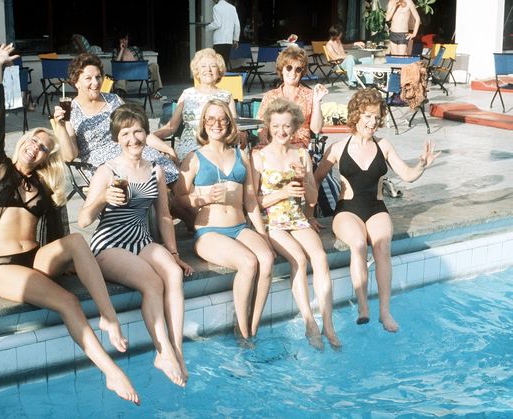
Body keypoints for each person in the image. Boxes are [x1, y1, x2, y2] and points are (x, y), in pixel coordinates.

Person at [0, 43, 139, 404]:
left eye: (44, 146)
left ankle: (109, 316)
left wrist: (73, 264)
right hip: (2, 267)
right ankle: (111, 371)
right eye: (34, 140)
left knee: (78, 242)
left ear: (47, 156)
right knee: (67, 302)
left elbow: (59, 232)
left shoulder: (44, 187)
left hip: (36, 259)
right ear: (23, 143)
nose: (37, 147)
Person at [78, 103, 194, 387]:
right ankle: (162, 351)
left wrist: (175, 254)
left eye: (138, 132)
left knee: (173, 274)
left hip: (141, 239)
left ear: (146, 133)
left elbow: (165, 216)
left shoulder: (155, 169)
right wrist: (103, 197)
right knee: (153, 283)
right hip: (110, 243)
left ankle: (177, 350)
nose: (133, 139)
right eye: (126, 133)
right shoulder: (107, 171)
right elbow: (83, 220)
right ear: (117, 138)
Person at [314, 88, 440, 333]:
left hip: (376, 207)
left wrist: (422, 164)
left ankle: (384, 311)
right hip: (347, 209)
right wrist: (309, 215)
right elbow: (315, 179)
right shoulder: (338, 148)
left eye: (376, 117)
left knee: (382, 245)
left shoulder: (384, 146)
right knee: (359, 244)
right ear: (356, 115)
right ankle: (363, 307)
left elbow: (407, 175)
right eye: (368, 116)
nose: (372, 122)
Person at [176, 99, 275, 340]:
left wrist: (262, 234)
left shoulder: (241, 155)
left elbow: (250, 199)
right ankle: (241, 331)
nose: (216, 124)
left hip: (240, 227)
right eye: (210, 119)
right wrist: (201, 197)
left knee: (267, 259)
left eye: (222, 119)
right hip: (209, 232)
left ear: (230, 123)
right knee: (249, 263)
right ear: (203, 124)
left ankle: (254, 325)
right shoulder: (194, 157)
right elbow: (176, 200)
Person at [252, 98, 340, 350]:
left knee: (320, 258)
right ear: (268, 126)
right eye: (276, 125)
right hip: (272, 222)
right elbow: (253, 202)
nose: (281, 131)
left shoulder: (301, 155)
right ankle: (309, 322)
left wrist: (305, 178)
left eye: (286, 126)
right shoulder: (259, 156)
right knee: (299, 260)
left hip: (298, 219)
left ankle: (328, 324)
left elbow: (311, 199)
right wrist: (282, 193)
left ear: (295, 128)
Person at [53, 53, 178, 184]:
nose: (95, 83)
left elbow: (139, 131)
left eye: (98, 77)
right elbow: (69, 156)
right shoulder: (70, 110)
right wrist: (61, 126)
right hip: (104, 165)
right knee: (146, 178)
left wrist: (167, 149)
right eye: (88, 78)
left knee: (168, 169)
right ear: (76, 82)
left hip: (132, 150)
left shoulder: (113, 101)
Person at [154, 48, 237, 232]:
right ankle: (199, 222)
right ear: (197, 71)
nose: (208, 70)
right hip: (189, 153)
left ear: (219, 72)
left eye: (213, 66)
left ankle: (209, 222)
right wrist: (153, 138)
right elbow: (171, 127)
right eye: (204, 66)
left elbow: (233, 128)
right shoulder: (187, 94)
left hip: (217, 150)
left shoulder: (226, 96)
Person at [256, 45, 328, 149]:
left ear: (302, 72)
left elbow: (316, 129)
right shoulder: (270, 96)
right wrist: (264, 141)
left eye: (298, 69)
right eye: (289, 68)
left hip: (299, 147)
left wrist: (317, 101)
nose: (293, 73)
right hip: (275, 146)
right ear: (282, 69)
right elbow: (262, 125)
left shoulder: (310, 95)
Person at [113, 31, 166, 100]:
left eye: (125, 39)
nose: (124, 41)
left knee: (154, 65)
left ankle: (154, 92)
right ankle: (121, 95)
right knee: (121, 74)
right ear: (119, 40)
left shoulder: (134, 49)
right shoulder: (116, 51)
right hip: (125, 74)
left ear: (128, 40)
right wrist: (121, 50)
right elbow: (116, 65)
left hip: (139, 72)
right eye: (122, 39)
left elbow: (142, 62)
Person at [325, 24, 372, 88]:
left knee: (370, 59)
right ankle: (352, 82)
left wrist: (356, 43)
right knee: (350, 58)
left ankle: (369, 80)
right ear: (337, 34)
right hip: (340, 64)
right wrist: (346, 56)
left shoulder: (338, 41)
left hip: (349, 61)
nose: (342, 34)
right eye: (341, 33)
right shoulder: (329, 45)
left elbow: (345, 46)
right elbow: (335, 57)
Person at [205, 0, 240, 70]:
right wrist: (236, 40)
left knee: (217, 64)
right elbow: (237, 25)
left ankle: (218, 80)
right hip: (228, 41)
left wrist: (207, 27)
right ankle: (224, 79)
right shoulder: (232, 8)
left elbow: (217, 24)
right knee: (224, 64)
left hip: (219, 40)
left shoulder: (216, 7)